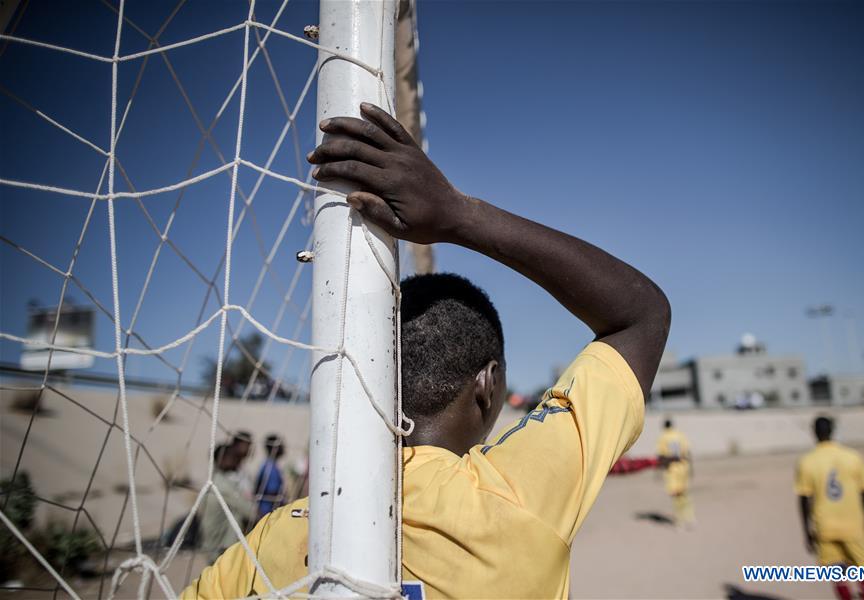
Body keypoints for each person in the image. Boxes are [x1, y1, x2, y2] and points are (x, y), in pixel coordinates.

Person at [182, 103, 670, 598]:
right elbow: (642, 316)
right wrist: (459, 214)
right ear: (487, 381)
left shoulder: (275, 536)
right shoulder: (515, 499)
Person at [796, 416, 864, 600]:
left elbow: (803, 500)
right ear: (833, 431)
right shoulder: (853, 457)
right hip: (854, 525)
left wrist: (807, 531)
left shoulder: (807, 461)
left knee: (837, 572)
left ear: (814, 432)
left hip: (825, 527)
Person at [198, 442, 256, 564]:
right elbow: (251, 511)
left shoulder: (214, 480)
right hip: (220, 547)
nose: (237, 459)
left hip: (214, 545)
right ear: (223, 459)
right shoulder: (223, 486)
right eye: (233, 456)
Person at [656, 417, 694, 529]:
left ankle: (680, 520)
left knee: (675, 496)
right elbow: (687, 452)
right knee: (684, 494)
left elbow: (661, 456)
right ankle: (690, 518)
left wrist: (658, 470)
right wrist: (691, 469)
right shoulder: (680, 435)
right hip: (683, 467)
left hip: (672, 470)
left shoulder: (663, 437)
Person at [255, 434, 286, 518]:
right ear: (274, 448)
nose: (284, 448)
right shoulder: (270, 468)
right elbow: (272, 491)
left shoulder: (270, 465)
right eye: (281, 445)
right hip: (267, 511)